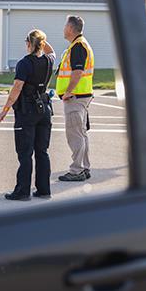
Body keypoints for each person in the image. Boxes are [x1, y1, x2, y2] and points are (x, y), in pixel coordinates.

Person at [0, 29, 55, 201]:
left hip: (27, 111)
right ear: (42, 44)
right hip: (44, 109)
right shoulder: (49, 60)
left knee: (25, 153)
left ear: (29, 44)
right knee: (42, 151)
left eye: (27, 42)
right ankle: (44, 190)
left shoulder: (24, 63)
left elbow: (17, 88)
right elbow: (51, 51)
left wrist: (5, 110)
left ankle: (22, 191)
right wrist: (42, 41)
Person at [56, 15, 95, 182]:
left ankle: (77, 170)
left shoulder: (78, 46)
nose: (64, 28)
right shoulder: (78, 45)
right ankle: (84, 168)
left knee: (75, 135)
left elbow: (77, 72)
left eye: (65, 25)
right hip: (82, 96)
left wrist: (68, 92)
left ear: (71, 29)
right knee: (81, 133)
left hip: (75, 98)